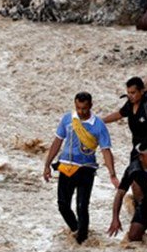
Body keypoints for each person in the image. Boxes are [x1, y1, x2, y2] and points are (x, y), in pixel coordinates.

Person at [44, 92, 118, 244]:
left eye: (84, 108)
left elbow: (106, 150)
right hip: (66, 167)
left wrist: (112, 174)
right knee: (63, 205)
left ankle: (82, 241)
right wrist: (47, 165)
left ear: (91, 106)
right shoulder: (67, 119)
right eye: (78, 108)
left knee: (82, 206)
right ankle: (77, 230)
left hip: (86, 169)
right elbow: (57, 142)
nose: (81, 112)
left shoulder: (99, 126)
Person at [102, 76, 147, 162]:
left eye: (133, 93)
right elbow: (120, 114)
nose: (130, 96)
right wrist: (101, 121)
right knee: (133, 172)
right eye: (128, 93)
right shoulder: (130, 103)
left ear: (141, 91)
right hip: (137, 147)